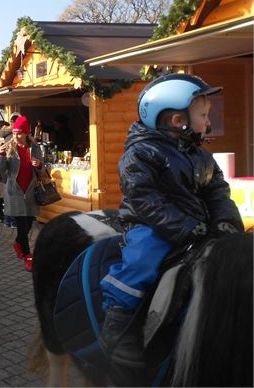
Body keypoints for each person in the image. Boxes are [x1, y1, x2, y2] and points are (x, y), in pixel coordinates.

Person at [98, 73, 244, 369]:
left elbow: (217, 191)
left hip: (197, 226)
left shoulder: (201, 156)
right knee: (144, 256)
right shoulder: (140, 153)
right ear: (178, 121)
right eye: (204, 115)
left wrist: (225, 221)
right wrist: (187, 227)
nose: (209, 122)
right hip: (151, 224)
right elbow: (144, 198)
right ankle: (118, 318)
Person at [0, 116, 43, 272]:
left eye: (19, 133)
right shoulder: (10, 147)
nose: (16, 136)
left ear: (26, 133)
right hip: (15, 192)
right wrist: (1, 155)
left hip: (30, 192)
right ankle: (27, 256)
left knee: (29, 223)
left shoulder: (35, 148)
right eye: (14, 132)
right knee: (22, 227)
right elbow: (1, 170)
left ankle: (18, 243)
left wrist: (39, 165)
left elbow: (42, 171)